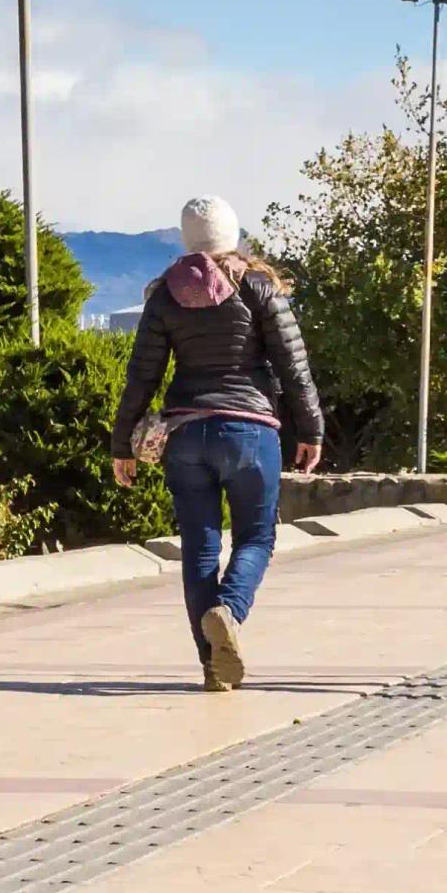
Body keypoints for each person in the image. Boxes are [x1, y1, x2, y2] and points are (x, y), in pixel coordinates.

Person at [113, 194, 322, 690]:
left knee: (200, 547)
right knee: (257, 537)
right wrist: (311, 429)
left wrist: (123, 442)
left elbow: (141, 376)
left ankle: (212, 665)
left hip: (185, 436)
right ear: (233, 234)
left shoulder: (163, 295)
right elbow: (294, 367)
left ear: (187, 239)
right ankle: (229, 610)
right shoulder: (258, 287)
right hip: (250, 431)